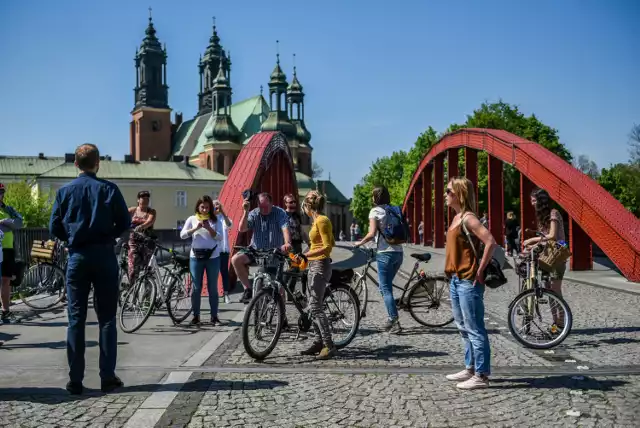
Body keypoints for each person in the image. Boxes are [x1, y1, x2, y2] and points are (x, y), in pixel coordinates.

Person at [49, 144, 130, 395]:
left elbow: (54, 227)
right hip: (104, 255)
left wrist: (71, 238)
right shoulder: (109, 189)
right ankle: (107, 376)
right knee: (106, 319)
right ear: (98, 163)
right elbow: (124, 223)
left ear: (76, 163)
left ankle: (75, 380)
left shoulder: (64, 192)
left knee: (76, 319)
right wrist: (110, 237)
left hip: (78, 257)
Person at [443, 177, 496, 390]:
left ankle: (482, 375)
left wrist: (480, 270)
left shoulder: (468, 218)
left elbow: (490, 241)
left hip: (468, 280)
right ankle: (470, 367)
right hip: (455, 280)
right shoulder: (456, 217)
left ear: (459, 194)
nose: (445, 195)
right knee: (463, 327)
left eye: (448, 191)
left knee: (474, 328)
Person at [353, 186, 403, 333]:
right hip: (398, 253)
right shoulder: (393, 209)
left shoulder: (374, 211)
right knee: (385, 287)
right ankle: (393, 314)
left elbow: (371, 233)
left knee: (385, 289)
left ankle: (394, 320)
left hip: (385, 254)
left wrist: (359, 243)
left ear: (375, 198)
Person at [231, 192, 291, 304]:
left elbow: (285, 228)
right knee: (236, 259)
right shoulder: (254, 213)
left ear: (271, 203)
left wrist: (287, 243)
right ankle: (248, 289)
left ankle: (283, 317)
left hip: (273, 251)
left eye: (266, 207)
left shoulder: (279, 213)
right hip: (256, 250)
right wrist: (245, 211)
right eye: (261, 207)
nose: (263, 210)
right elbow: (242, 229)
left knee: (278, 285)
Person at [297, 190, 337, 359]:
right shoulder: (316, 222)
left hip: (321, 265)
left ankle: (329, 345)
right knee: (311, 305)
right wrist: (300, 257)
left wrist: (307, 256)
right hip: (314, 264)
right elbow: (316, 245)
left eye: (304, 206)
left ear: (308, 206)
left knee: (316, 307)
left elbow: (328, 246)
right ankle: (318, 341)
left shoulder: (322, 220)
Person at [523, 188, 566, 327]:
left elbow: (552, 236)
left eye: (534, 200)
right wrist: (533, 246)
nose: (532, 204)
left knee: (555, 289)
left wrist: (531, 240)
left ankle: (562, 320)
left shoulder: (554, 213)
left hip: (557, 256)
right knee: (548, 290)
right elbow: (544, 239)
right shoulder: (542, 217)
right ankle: (555, 322)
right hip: (547, 256)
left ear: (542, 201)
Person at [180, 195, 224, 325]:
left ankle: (214, 316)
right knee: (196, 287)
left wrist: (209, 228)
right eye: (202, 207)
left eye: (207, 207)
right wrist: (195, 228)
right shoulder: (192, 219)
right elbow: (182, 235)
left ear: (210, 208)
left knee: (212, 287)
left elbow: (220, 237)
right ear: (198, 207)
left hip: (213, 257)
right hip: (196, 257)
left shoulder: (215, 220)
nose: (205, 210)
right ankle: (196, 316)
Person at [0, 182, 23, 324]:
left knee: (6, 280)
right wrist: (8, 225)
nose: (0, 195)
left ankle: (6, 311)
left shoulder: (8, 209)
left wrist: (5, 221)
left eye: (1, 193)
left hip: (7, 249)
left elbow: (20, 222)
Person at [127, 190, 156, 285]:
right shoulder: (132, 210)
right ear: (138, 200)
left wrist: (141, 227)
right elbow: (122, 217)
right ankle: (132, 289)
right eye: (143, 198)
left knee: (148, 268)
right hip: (134, 241)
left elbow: (150, 221)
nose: (145, 200)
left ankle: (148, 295)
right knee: (134, 263)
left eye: (147, 198)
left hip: (146, 241)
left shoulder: (151, 211)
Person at [213, 200, 232, 304]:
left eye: (218, 205)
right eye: (214, 205)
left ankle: (226, 294)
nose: (216, 207)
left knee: (224, 273)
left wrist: (223, 213)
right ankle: (215, 294)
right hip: (213, 250)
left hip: (223, 250)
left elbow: (229, 225)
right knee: (213, 273)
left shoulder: (223, 218)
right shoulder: (210, 219)